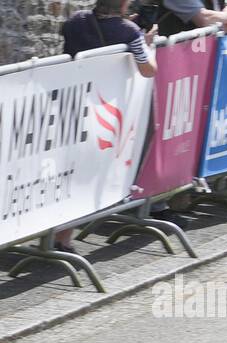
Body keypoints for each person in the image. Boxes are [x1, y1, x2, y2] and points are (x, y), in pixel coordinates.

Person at [56, 0, 158, 252]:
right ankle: (63, 238)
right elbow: (148, 70)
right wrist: (146, 43)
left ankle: (58, 235)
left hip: (71, 103)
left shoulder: (74, 21)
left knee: (67, 170)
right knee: (86, 172)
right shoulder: (129, 32)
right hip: (105, 110)